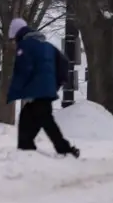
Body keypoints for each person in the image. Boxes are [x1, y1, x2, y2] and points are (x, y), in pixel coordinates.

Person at [6, 18, 79, 157]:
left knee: (45, 119)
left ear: (17, 35)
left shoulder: (25, 46)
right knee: (30, 116)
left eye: (13, 39)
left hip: (38, 90)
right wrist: (57, 83)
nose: (14, 43)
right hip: (45, 90)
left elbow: (23, 70)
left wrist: (13, 92)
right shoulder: (47, 45)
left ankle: (64, 149)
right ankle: (25, 147)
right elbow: (64, 62)